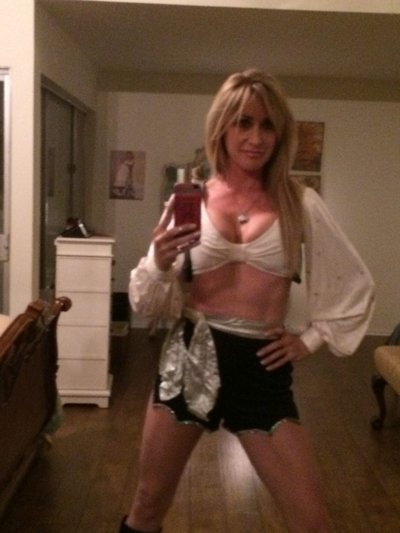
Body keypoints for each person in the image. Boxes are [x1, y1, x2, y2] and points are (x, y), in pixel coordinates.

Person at [121, 69, 375, 533]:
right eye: (243, 123)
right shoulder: (193, 199)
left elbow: (354, 281)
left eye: (267, 125)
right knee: (148, 502)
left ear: (281, 133)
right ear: (222, 126)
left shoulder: (300, 203)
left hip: (262, 365)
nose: (256, 138)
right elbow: (147, 300)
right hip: (190, 356)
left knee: (312, 521)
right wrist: (159, 260)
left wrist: (310, 339)